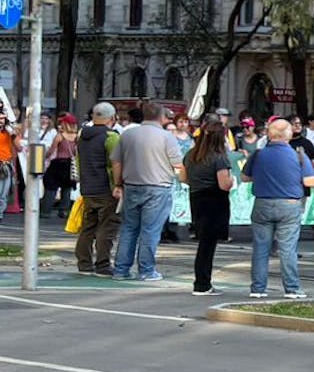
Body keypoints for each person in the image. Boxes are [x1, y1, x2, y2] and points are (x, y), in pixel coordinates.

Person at [241, 119, 314, 298]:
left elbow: (245, 177)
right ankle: (292, 288)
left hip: (262, 203)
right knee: (287, 249)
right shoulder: (299, 155)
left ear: (269, 134)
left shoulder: (258, 154)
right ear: (289, 135)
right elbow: (310, 181)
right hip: (289, 205)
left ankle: (258, 288)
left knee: (261, 248)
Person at [109, 102, 184, 282]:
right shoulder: (167, 137)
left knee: (128, 228)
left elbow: (116, 161)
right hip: (158, 187)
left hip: (132, 185)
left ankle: (121, 269)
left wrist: (118, 183)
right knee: (150, 230)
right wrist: (184, 180)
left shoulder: (128, 134)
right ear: (161, 116)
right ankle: (146, 270)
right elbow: (178, 164)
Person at [185, 117, 235, 295]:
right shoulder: (219, 158)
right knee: (208, 245)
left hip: (197, 198)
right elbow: (224, 184)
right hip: (214, 200)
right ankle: (202, 283)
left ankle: (202, 281)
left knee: (204, 242)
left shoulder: (191, 154)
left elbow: (183, 178)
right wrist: (232, 180)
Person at [73, 103, 121, 276]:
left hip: (88, 188)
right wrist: (118, 185)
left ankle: (84, 263)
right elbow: (116, 163)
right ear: (112, 118)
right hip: (105, 189)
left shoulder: (82, 136)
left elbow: (78, 161)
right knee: (107, 228)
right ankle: (102, 265)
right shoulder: (111, 137)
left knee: (88, 227)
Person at [44, 113, 77, 217]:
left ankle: (46, 210)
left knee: (51, 188)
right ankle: (64, 210)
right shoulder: (77, 136)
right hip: (70, 164)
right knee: (66, 188)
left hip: (58, 163)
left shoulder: (60, 136)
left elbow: (51, 151)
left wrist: (45, 156)